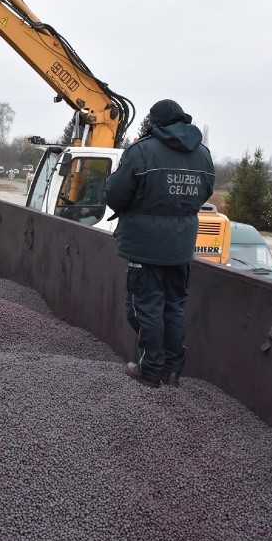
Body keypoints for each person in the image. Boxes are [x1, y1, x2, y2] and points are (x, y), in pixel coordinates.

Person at [104, 99, 215, 388]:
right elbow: (206, 192)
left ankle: (150, 369)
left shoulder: (141, 152)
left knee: (144, 306)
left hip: (145, 245)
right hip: (181, 246)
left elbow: (115, 195)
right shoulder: (203, 154)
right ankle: (173, 370)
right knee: (174, 306)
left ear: (155, 123)